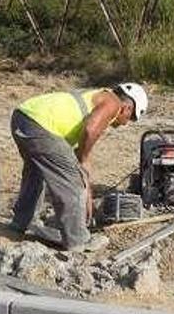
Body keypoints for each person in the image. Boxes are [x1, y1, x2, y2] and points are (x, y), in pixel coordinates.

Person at [9, 83, 148, 251]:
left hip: (22, 117)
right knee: (72, 181)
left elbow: (83, 144)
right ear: (127, 107)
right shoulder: (113, 103)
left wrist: (84, 171)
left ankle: (22, 221)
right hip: (40, 125)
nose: (126, 123)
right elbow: (90, 131)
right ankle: (77, 239)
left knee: (36, 172)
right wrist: (81, 165)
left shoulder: (98, 94)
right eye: (131, 118)